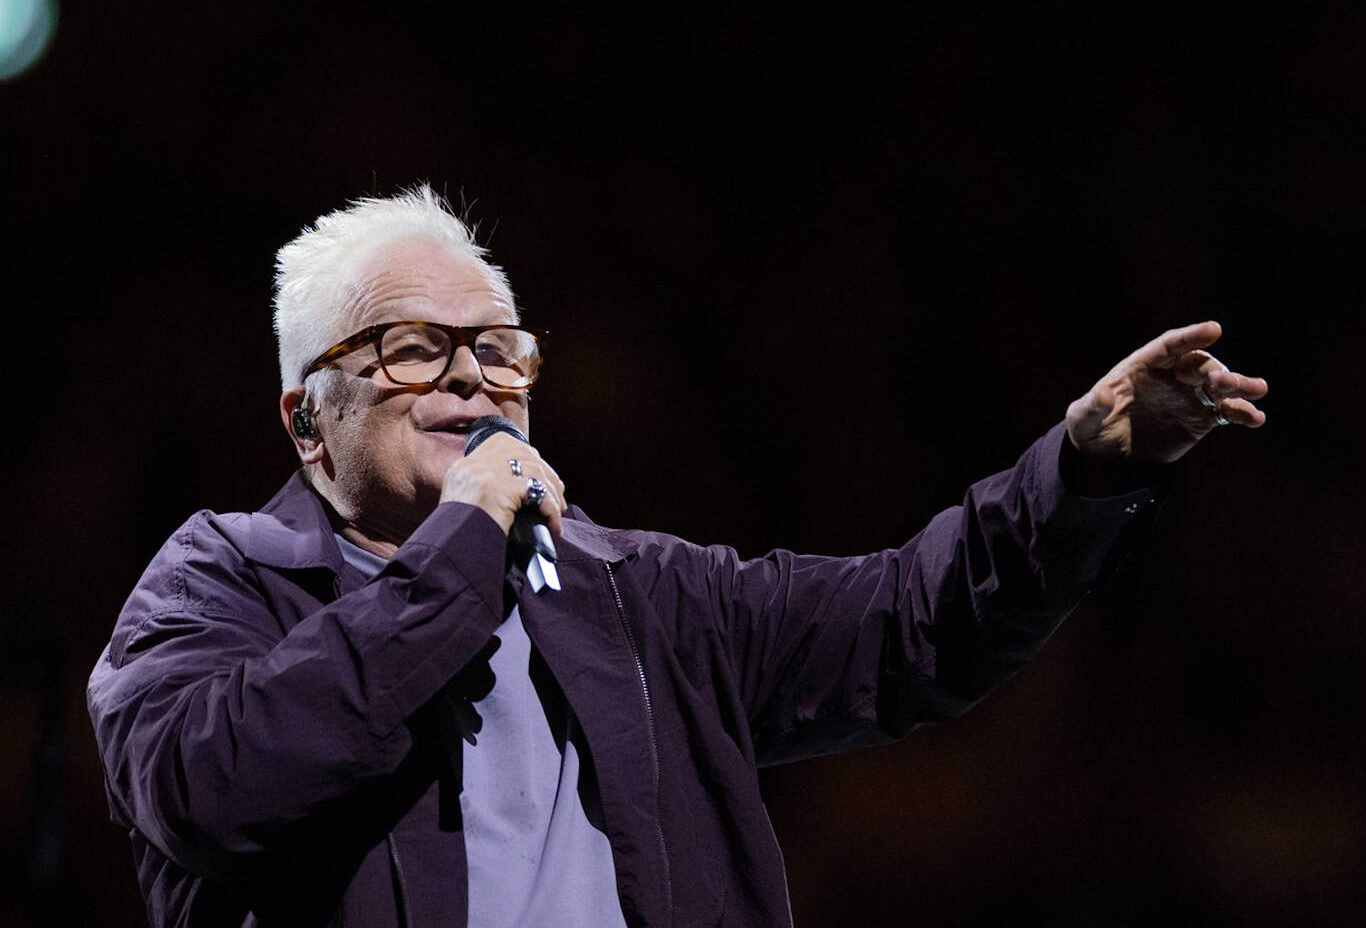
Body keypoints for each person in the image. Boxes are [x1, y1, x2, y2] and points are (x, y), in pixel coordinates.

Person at [88, 185, 1268, 928]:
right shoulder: (216, 585)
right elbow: (214, 792)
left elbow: (912, 625)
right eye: (410, 348)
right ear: (307, 420)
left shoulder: (636, 597)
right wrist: (458, 551)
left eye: (499, 352)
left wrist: (1082, 471)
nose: (469, 376)